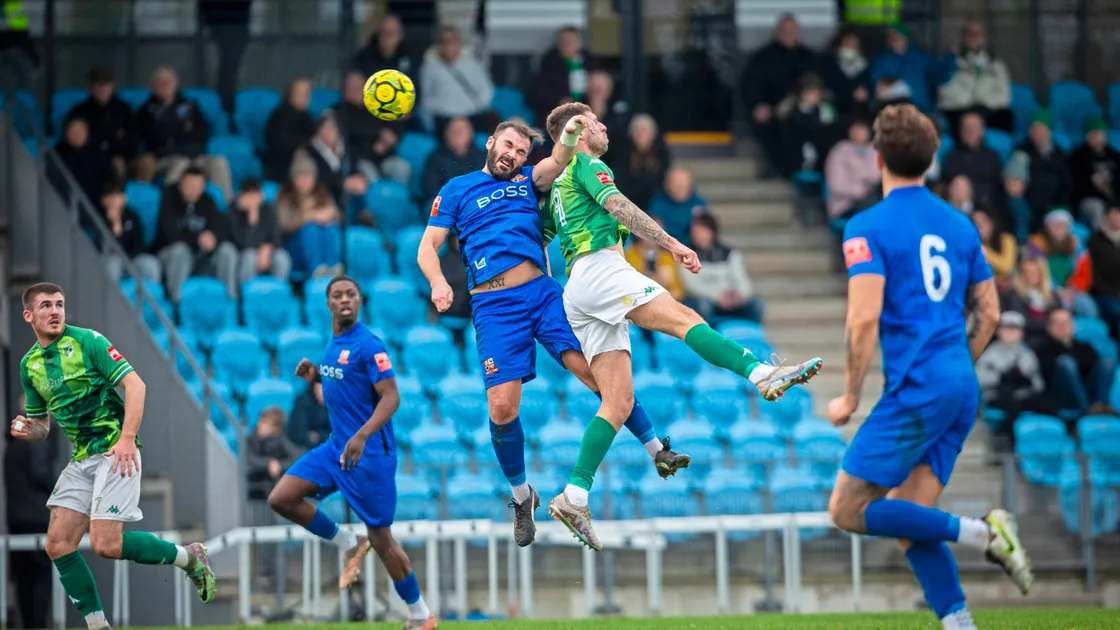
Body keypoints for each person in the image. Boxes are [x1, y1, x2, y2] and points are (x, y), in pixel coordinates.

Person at [539, 102, 822, 551]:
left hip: (578, 287)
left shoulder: (557, 186)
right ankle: (762, 374)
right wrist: (672, 243)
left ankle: (574, 495)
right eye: (594, 120)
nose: (604, 125)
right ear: (577, 131)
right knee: (686, 319)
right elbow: (619, 206)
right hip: (601, 270)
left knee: (617, 402)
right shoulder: (587, 164)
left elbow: (540, 236)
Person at [417, 117, 690, 549]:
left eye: (521, 151)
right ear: (490, 143)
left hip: (542, 294)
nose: (513, 155)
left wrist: (570, 131)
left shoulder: (530, 180)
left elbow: (559, 159)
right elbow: (427, 247)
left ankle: (657, 448)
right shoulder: (457, 189)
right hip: (493, 307)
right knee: (502, 407)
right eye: (508, 145)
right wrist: (437, 282)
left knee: (595, 374)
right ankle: (522, 497)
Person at [826, 104, 1032, 630]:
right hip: (959, 384)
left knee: (846, 510)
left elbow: (863, 318)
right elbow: (989, 312)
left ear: (878, 159)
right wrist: (957, 367)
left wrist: (850, 395)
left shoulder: (866, 226)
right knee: (910, 521)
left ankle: (983, 533)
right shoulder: (960, 225)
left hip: (917, 388)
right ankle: (959, 623)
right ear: (932, 158)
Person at [13, 282, 216, 630]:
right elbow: (42, 427)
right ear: (28, 315)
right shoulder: (29, 365)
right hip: (82, 458)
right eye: (46, 305)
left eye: (59, 304)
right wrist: (28, 430)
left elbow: (136, 385)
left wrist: (127, 439)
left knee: (106, 544)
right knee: (58, 544)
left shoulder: (88, 341)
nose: (55, 311)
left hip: (114, 449)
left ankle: (190, 558)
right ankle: (98, 626)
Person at [266, 276, 436, 630]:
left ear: (360, 301)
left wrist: (361, 436)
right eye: (337, 295)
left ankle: (420, 614)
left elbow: (391, 397)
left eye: (350, 294)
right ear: (328, 303)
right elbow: (348, 382)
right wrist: (316, 376)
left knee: (382, 539)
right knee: (281, 498)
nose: (344, 299)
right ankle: (347, 541)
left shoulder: (369, 345)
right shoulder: (334, 341)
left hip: (369, 455)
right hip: (336, 449)